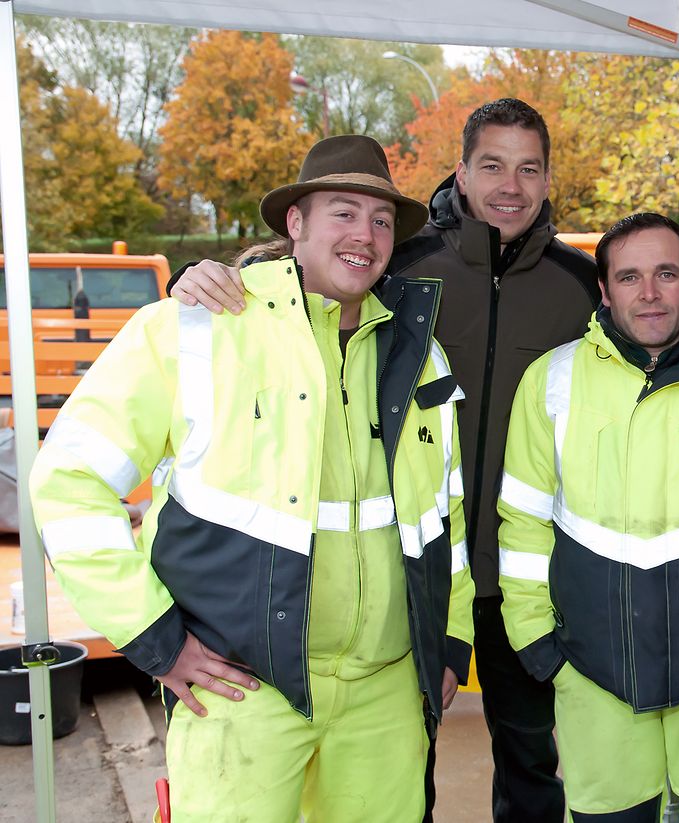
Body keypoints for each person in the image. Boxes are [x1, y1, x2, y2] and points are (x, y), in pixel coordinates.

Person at [169, 99, 600, 823]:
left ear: (548, 178)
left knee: (532, 764)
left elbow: (665, 322)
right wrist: (196, 274)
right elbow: (288, 278)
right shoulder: (400, 259)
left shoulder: (577, 283)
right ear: (461, 171)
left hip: (527, 577)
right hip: (417, 575)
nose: (510, 185)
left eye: (529, 169)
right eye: (491, 164)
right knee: (403, 770)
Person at [30, 134, 475, 821]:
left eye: (381, 219)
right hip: (242, 691)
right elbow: (68, 477)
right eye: (343, 212)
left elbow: (447, 515)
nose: (365, 234)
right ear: (295, 223)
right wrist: (156, 637)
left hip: (386, 695)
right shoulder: (201, 324)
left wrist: (450, 641)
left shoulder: (421, 350)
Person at [497, 212, 679, 821]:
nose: (648, 294)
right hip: (593, 678)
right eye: (629, 277)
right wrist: (538, 644)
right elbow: (523, 522)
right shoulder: (552, 379)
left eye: (666, 274)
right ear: (604, 289)